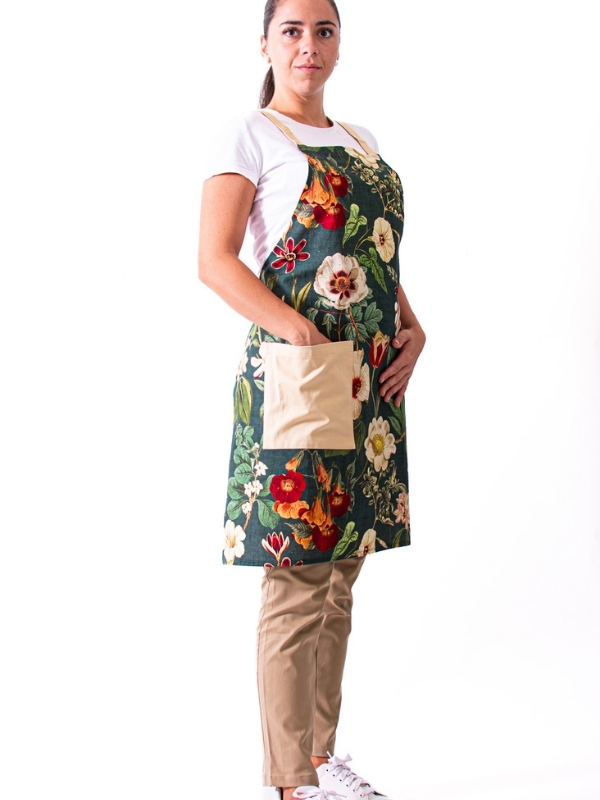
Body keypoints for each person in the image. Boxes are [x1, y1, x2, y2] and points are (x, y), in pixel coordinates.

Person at [198, 0, 426, 797]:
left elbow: (377, 259)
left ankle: (323, 759)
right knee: (299, 576)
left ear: (339, 44)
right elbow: (215, 260)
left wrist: (412, 327)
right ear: (264, 43)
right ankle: (293, 779)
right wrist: (297, 332)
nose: (308, 45)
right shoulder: (251, 134)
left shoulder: (362, 141)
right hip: (303, 375)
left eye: (323, 30)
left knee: (340, 574)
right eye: (291, 30)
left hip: (369, 380)